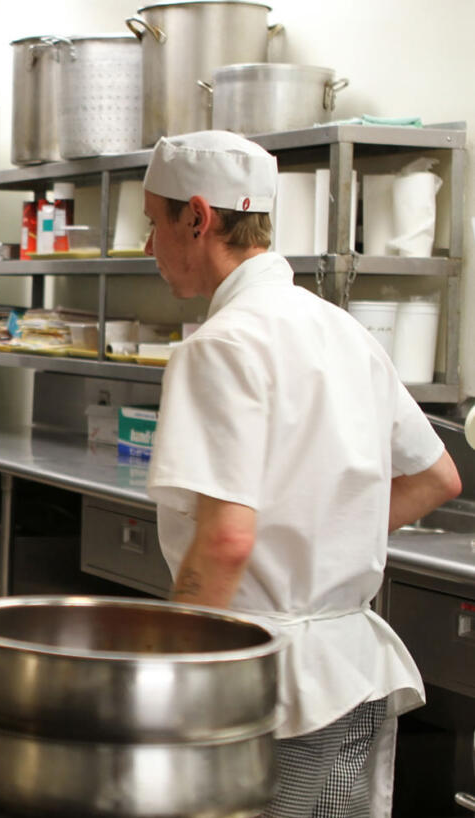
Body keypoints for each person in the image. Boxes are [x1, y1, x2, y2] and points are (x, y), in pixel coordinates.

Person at [141, 130, 462, 817]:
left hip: (260, 687)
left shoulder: (219, 345)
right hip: (348, 675)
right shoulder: (342, 330)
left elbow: (226, 540)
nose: (147, 247)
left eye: (152, 223)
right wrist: (325, 540)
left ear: (197, 218)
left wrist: (169, 681)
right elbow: (439, 477)